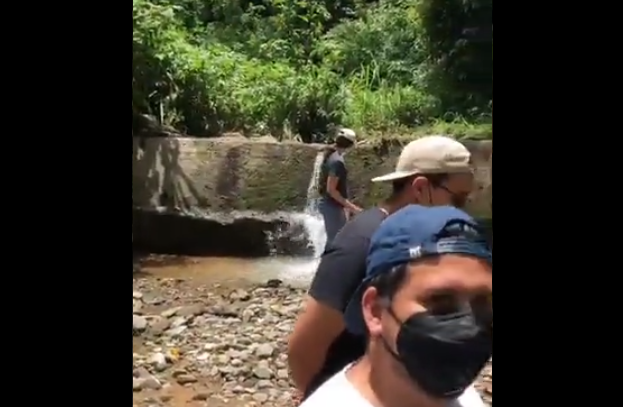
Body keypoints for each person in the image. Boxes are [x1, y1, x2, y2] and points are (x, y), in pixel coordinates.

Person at [288, 136, 477, 400]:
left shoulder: (424, 239)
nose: (463, 211)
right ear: (421, 188)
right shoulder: (362, 242)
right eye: (458, 199)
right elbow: (303, 351)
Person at [299, 205, 492, 407]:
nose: (469, 327)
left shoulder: (462, 392)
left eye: (483, 302)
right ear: (375, 310)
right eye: (440, 301)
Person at [318, 128, 362, 250]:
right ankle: (328, 267)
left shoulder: (331, 156)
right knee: (336, 242)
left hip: (331, 205)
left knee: (336, 240)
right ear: (350, 145)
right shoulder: (337, 162)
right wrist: (352, 207)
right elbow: (331, 190)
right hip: (332, 206)